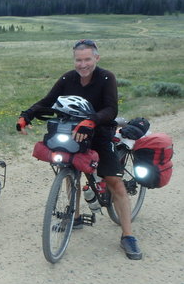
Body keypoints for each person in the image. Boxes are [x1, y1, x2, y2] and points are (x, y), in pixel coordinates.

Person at [16, 39, 142, 260]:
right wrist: (26, 116)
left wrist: (92, 121)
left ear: (96, 58)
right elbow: (48, 102)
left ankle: (128, 236)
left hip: (100, 134)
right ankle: (73, 216)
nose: (82, 64)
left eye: (87, 59)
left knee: (114, 182)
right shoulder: (68, 78)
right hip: (73, 133)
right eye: (78, 60)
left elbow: (111, 109)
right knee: (69, 172)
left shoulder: (106, 77)